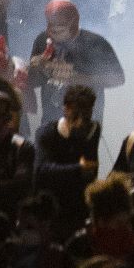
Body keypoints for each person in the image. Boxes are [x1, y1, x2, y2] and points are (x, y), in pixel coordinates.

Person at [26, 0, 125, 125]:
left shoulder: (95, 43)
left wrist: (80, 79)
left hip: (86, 118)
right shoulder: (42, 40)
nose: (53, 31)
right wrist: (36, 68)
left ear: (73, 23)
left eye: (60, 27)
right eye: (50, 25)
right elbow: (32, 82)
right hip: (51, 117)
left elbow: (118, 78)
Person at [33, 84, 103, 236]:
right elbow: (41, 172)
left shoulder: (93, 130)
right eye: (76, 114)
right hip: (51, 209)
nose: (81, 121)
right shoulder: (46, 133)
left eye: (86, 114)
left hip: (78, 209)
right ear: (66, 108)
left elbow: (91, 172)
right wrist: (78, 168)